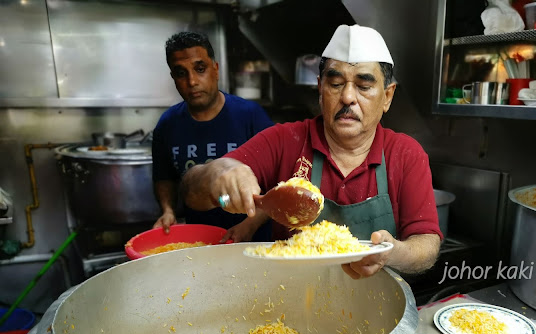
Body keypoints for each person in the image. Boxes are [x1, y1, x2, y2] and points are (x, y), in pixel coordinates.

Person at [181, 25, 442, 279]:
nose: (348, 97)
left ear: (387, 96)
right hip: (290, 302)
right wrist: (220, 172)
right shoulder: (285, 140)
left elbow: (427, 244)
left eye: (363, 86)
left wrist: (391, 252)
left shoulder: (406, 154)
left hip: (376, 303)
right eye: (336, 83)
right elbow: (191, 191)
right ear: (320, 88)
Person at [152, 31, 273, 242]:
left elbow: (280, 182)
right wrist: (168, 210)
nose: (192, 81)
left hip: (252, 240)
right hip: (200, 241)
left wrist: (249, 225)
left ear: (215, 70)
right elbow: (165, 177)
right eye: (181, 73)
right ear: (173, 78)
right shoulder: (167, 124)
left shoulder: (250, 116)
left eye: (200, 69)